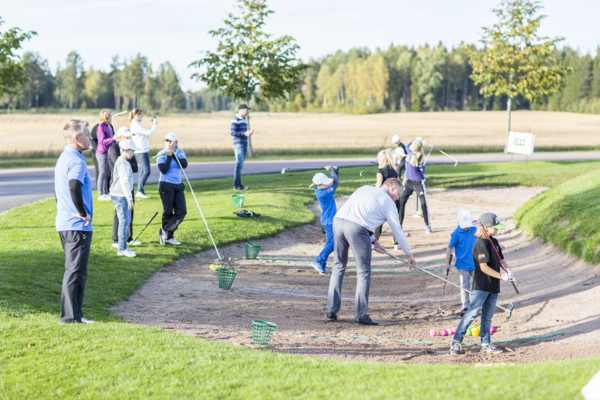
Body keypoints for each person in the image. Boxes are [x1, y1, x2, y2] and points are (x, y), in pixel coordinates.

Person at [326, 178, 417, 325]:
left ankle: (331, 311)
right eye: (398, 194)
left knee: (338, 266)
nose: (398, 198)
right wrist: (409, 254)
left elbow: (357, 215)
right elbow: (397, 231)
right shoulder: (388, 202)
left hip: (338, 222)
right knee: (364, 271)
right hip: (356, 228)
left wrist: (374, 241)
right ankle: (360, 315)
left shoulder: (365, 188)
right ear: (392, 188)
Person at [450, 212, 515, 355]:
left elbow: (501, 260)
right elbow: (483, 267)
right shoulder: (480, 244)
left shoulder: (494, 242)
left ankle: (486, 343)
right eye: (495, 227)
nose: (497, 229)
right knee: (471, 313)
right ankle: (456, 342)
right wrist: (502, 276)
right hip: (481, 286)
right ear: (485, 227)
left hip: (493, 285)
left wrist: (508, 270)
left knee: (487, 316)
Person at [54, 119, 94, 324]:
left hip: (65, 223)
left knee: (74, 270)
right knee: (76, 271)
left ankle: (74, 315)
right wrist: (82, 212)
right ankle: (71, 318)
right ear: (77, 138)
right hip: (77, 226)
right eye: (87, 134)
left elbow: (58, 191)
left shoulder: (64, 157)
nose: (91, 138)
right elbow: (73, 186)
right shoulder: (77, 161)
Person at [108, 127, 139, 249]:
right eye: (127, 136)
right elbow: (123, 178)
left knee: (127, 217)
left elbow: (135, 168)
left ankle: (127, 240)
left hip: (125, 189)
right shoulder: (115, 152)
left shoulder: (127, 156)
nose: (129, 138)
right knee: (122, 218)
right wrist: (129, 198)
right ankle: (119, 243)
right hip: (119, 190)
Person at [156, 132, 187, 245]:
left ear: (176, 143)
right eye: (167, 141)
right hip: (165, 185)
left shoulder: (180, 152)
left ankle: (165, 232)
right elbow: (163, 170)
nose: (168, 143)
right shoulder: (161, 154)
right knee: (168, 212)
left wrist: (173, 155)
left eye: (171, 141)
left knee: (181, 211)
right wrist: (169, 157)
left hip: (178, 185)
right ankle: (169, 237)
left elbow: (184, 165)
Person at [445, 209, 477, 315]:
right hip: (462, 265)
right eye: (464, 225)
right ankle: (465, 306)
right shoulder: (455, 234)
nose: (466, 227)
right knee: (464, 286)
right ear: (458, 222)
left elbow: (485, 236)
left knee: (477, 285)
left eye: (468, 224)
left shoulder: (474, 229)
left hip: (475, 263)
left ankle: (475, 304)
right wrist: (447, 263)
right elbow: (449, 248)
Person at [398, 138, 432, 234]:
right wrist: (418, 139)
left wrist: (421, 168)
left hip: (418, 183)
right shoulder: (410, 153)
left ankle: (427, 225)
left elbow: (422, 171)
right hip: (408, 182)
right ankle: (399, 225)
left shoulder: (419, 156)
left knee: (423, 203)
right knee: (401, 202)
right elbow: (407, 146)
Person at [310, 166, 339, 276]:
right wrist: (331, 169)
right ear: (319, 185)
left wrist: (336, 171)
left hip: (330, 220)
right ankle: (318, 261)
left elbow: (335, 182)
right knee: (332, 243)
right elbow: (336, 183)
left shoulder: (322, 189)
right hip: (329, 222)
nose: (328, 184)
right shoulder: (324, 193)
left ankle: (322, 262)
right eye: (325, 183)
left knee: (331, 243)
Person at [130, 108, 157, 199]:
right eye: (140, 114)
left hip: (142, 149)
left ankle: (140, 190)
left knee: (143, 171)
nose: (142, 116)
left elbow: (145, 134)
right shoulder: (135, 124)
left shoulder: (136, 124)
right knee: (146, 171)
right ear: (135, 115)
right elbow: (149, 133)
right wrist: (154, 124)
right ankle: (139, 191)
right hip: (141, 150)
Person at [373, 149, 399, 244]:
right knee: (395, 221)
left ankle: (375, 242)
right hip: (394, 199)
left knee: (378, 220)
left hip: (384, 200)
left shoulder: (381, 171)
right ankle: (396, 243)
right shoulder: (394, 171)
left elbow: (378, 185)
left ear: (382, 159)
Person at [231, 104, 254, 190]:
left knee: (240, 165)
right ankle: (237, 185)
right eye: (246, 110)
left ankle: (238, 185)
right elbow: (233, 133)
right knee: (239, 164)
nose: (247, 112)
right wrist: (244, 133)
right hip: (238, 144)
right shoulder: (235, 120)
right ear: (241, 110)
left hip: (244, 144)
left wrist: (248, 133)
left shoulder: (244, 120)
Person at [95, 109, 115, 201]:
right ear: (106, 117)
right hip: (102, 152)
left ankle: (105, 192)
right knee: (102, 173)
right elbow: (102, 141)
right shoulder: (101, 127)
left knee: (107, 173)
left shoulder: (108, 126)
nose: (111, 118)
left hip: (108, 152)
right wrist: (113, 138)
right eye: (110, 116)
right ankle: (100, 193)